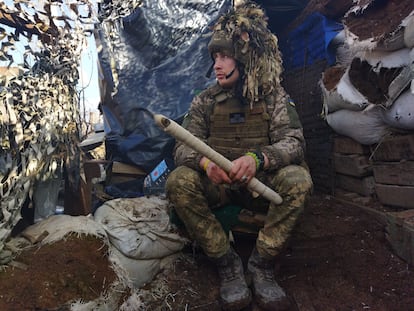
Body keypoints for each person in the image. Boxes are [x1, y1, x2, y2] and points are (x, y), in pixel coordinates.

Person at [165, 2, 313, 310]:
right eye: (215, 57)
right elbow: (182, 147)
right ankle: (227, 263)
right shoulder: (204, 102)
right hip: (218, 187)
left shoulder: (273, 98)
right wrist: (205, 164)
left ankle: (262, 265)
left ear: (244, 59)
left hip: (260, 185)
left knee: (298, 180)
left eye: (224, 56)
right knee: (178, 181)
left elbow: (294, 141)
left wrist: (259, 160)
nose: (217, 64)